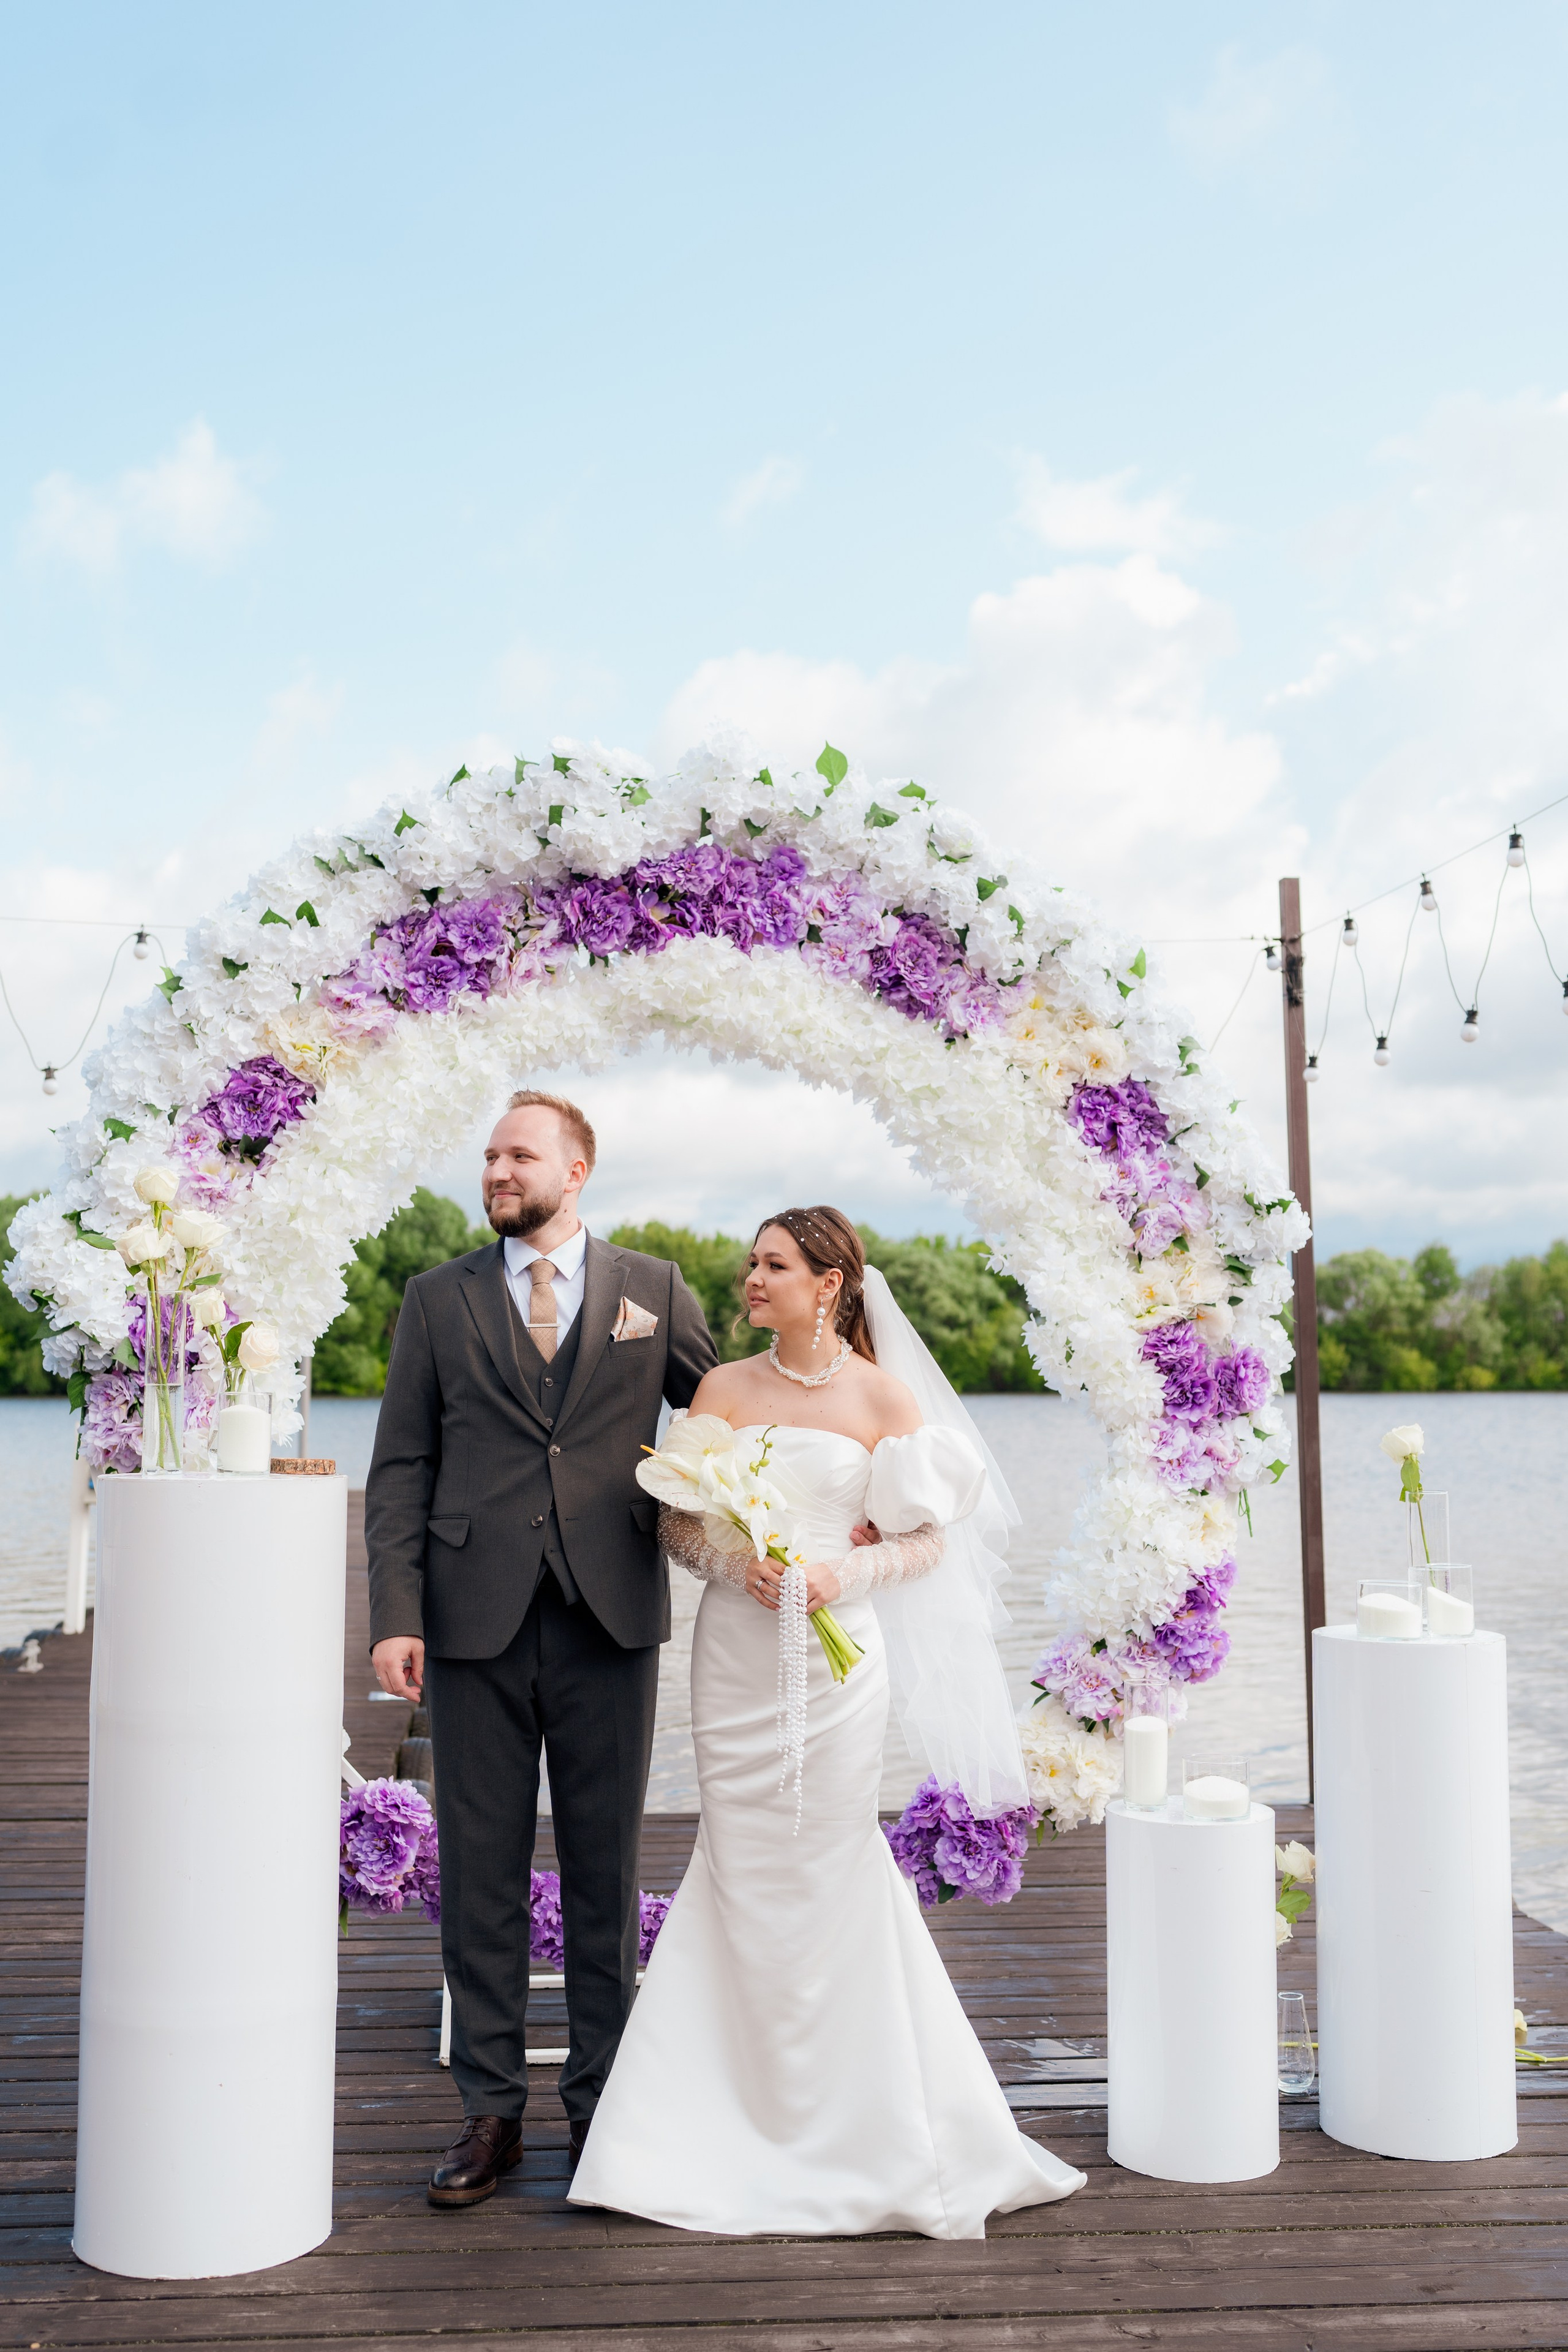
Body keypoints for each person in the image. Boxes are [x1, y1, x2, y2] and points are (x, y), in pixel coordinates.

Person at [569, 1207, 1085, 2239]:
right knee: (739, 1860)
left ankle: (863, 2124)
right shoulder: (722, 1388)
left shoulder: (883, 1397)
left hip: (841, 1657)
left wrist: (842, 1573)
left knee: (829, 1857)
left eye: (774, 1265)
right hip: (736, 1652)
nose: (752, 1279)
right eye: (751, 1263)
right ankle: (710, 2117)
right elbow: (677, 1523)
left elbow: (928, 1543)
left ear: (830, 1283)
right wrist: (738, 1562)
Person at [365, 1090, 717, 2207]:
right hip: (471, 1619)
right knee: (481, 1873)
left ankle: (604, 2110)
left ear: (576, 1169)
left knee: (607, 1870)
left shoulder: (655, 1289)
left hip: (610, 1615)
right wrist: (396, 1612)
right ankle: (491, 2112)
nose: (497, 1171)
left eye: (520, 1154)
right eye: (489, 1156)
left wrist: (823, 1483)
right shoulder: (437, 1298)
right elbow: (401, 1467)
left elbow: (727, 1421)